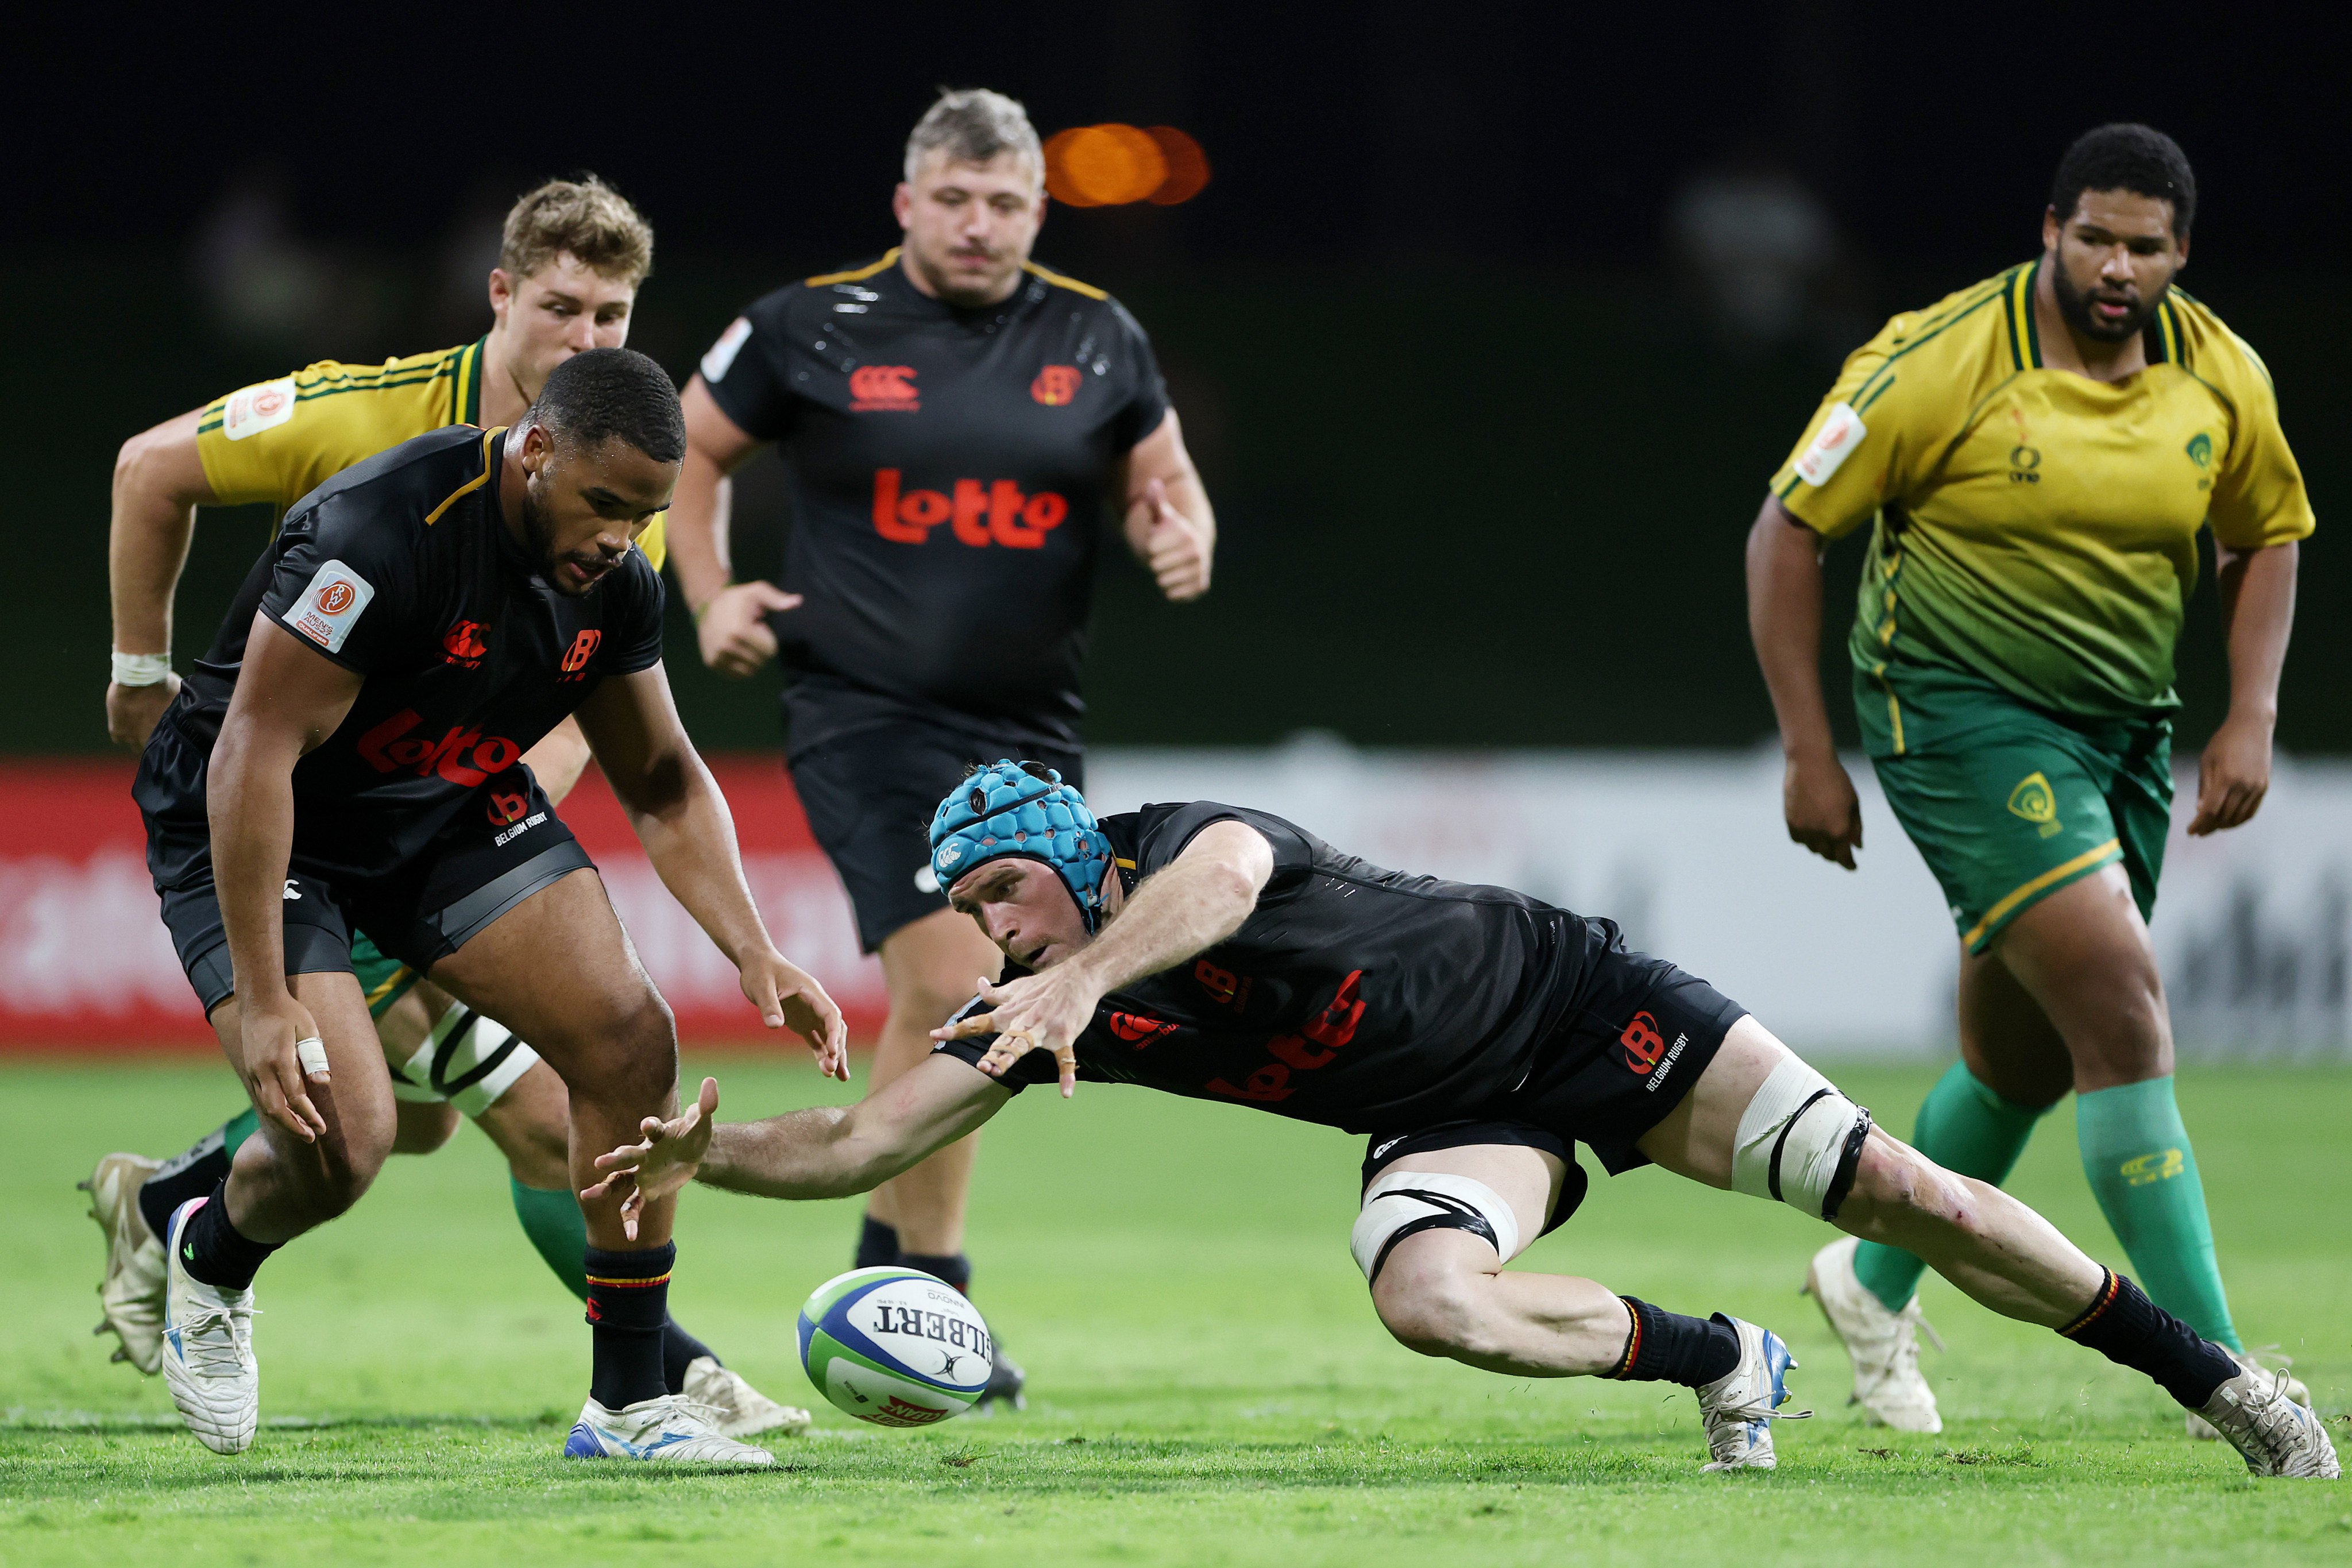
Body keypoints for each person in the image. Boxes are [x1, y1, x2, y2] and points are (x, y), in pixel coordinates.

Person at [586, 762, 2338, 1480]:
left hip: (1591, 1011)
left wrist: (1080, 978)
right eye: (977, 918)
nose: (991, 934)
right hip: (1447, 1115)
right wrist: (700, 1155)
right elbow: (854, 1146)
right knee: (1427, 1301)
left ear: (1067, 857)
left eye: (1003, 898)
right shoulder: (1032, 997)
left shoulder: (1181, 850)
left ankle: (2211, 1374)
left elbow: (1226, 882)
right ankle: (1723, 1356)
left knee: (1907, 1194)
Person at [83, 179, 809, 1438]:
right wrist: (261, 998)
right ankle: (204, 1242)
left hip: (439, 798)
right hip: (277, 816)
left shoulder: (610, 546)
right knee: (351, 1140)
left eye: (612, 313)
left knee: (622, 1045)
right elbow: (253, 754)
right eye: (561, 307)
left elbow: (661, 775)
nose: (622, 540)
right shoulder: (381, 516)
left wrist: (753, 948)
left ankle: (634, 1399)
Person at [1745, 123, 2314, 1437]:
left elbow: (2266, 533)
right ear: (2048, 230)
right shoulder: (1934, 358)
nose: (2115, 266)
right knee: (2120, 1011)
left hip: (2118, 732)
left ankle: (1868, 1274)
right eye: (2094, 237)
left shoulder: (2219, 373)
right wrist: (1805, 746)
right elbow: (1785, 531)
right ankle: (2218, 1375)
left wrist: (2249, 717)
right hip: (1953, 717)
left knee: (2020, 1065)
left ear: (2179, 254)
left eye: (2144, 245)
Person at [668, 87, 1216, 1401]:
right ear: (907, 204)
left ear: (1038, 208)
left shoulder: (1096, 335)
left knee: (994, 993)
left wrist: (1179, 529)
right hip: (864, 714)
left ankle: (884, 1266)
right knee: (956, 973)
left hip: (1031, 735)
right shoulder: (810, 324)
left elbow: (1166, 477)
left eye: (1006, 204)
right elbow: (682, 455)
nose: (980, 226)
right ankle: (935, 1299)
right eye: (955, 201)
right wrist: (708, 592)